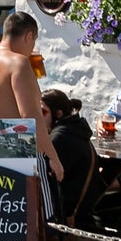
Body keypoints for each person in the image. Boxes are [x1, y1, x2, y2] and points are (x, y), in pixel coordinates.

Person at [0, 11, 64, 192]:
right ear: (29, 36)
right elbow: (30, 116)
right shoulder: (18, 63)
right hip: (20, 146)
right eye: (34, 40)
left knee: (4, 212)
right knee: (36, 215)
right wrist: (53, 157)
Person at [42, 90, 100, 227]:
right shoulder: (75, 129)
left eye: (43, 112)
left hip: (67, 211)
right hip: (81, 206)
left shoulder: (61, 137)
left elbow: (45, 173)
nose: (37, 116)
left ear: (58, 114)